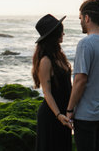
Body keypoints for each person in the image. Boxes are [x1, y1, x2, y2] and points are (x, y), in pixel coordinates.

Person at [66, 0, 99, 151]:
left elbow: (81, 80)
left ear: (87, 18)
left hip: (86, 113)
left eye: (80, 18)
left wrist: (69, 109)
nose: (80, 21)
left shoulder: (85, 44)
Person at [32, 14, 73, 151]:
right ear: (54, 35)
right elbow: (47, 92)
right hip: (52, 115)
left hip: (64, 113)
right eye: (61, 31)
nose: (63, 33)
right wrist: (58, 115)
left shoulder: (59, 56)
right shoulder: (46, 60)